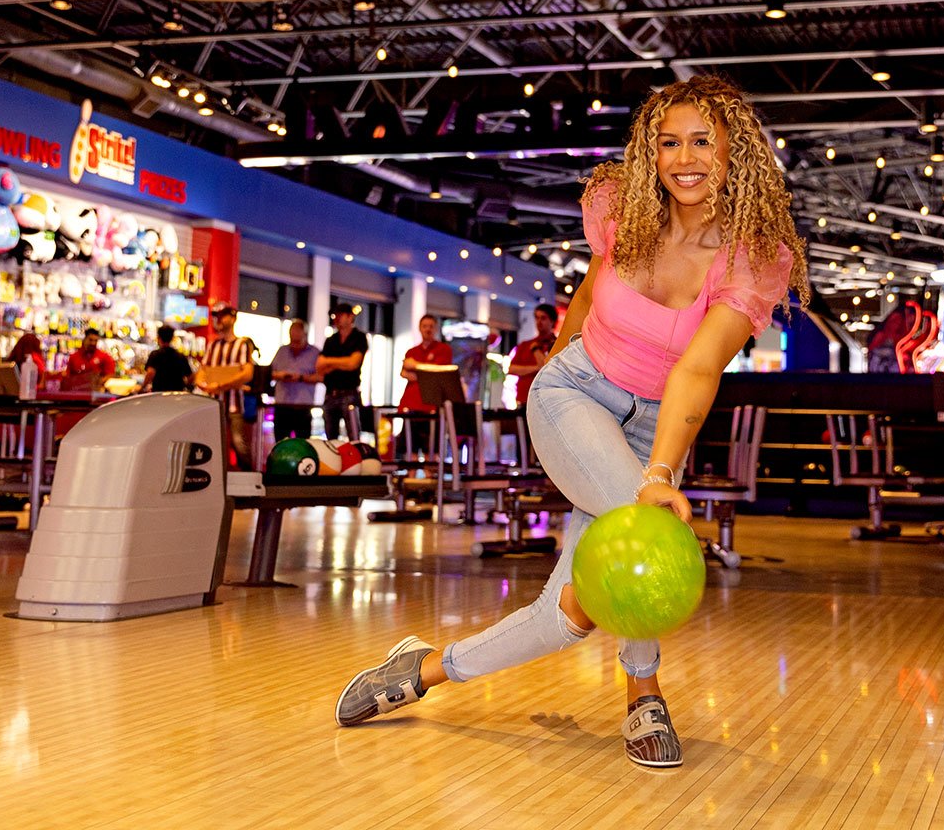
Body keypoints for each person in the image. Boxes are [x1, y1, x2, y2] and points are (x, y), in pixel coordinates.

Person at [333, 75, 807, 769]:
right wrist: (551, 380)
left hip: (654, 428)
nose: (684, 158)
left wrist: (657, 470)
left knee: (571, 616)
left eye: (703, 141)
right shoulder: (625, 209)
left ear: (738, 152)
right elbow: (587, 295)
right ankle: (644, 696)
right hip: (577, 392)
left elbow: (699, 370)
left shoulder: (751, 256)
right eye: (668, 142)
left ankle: (421, 670)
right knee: (645, 540)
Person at [197, 304, 259, 467]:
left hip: (234, 405)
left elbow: (247, 374)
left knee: (238, 443)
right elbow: (202, 370)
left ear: (233, 318)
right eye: (217, 316)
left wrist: (221, 385)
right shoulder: (213, 345)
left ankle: (249, 479)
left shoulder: (242, 344)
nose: (219, 320)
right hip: (214, 402)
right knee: (213, 442)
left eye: (222, 316)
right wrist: (203, 384)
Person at [316, 304, 368, 441]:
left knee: (354, 435)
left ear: (350, 317)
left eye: (340, 315)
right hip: (330, 394)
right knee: (330, 437)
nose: (336, 319)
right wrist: (342, 362)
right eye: (335, 316)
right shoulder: (331, 340)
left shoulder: (359, 337)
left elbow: (353, 364)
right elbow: (320, 367)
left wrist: (330, 362)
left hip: (350, 393)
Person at [268, 319, 322, 440]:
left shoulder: (314, 352)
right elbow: (270, 373)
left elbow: (321, 377)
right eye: (292, 331)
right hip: (283, 404)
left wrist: (301, 378)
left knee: (302, 442)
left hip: (303, 406)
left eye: (298, 331)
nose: (294, 334)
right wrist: (281, 375)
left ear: (305, 333)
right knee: (280, 442)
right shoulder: (282, 351)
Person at [397, 314, 454, 413]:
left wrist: (415, 366)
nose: (428, 329)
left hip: (432, 404)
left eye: (431, 326)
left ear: (436, 328)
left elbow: (439, 373)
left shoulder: (444, 349)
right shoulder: (411, 352)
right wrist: (427, 375)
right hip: (411, 403)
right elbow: (404, 373)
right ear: (419, 328)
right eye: (424, 326)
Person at [507, 304, 559, 410]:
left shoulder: (557, 345)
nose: (539, 322)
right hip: (523, 399)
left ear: (552, 321)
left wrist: (536, 351)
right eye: (537, 317)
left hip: (546, 401)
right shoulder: (525, 345)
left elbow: (548, 369)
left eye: (543, 318)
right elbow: (512, 369)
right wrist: (536, 368)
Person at [61, 328, 115, 393]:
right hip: (76, 393)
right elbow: (68, 375)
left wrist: (98, 382)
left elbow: (110, 374)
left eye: (95, 341)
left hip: (97, 394)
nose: (93, 343)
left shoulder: (104, 357)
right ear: (84, 339)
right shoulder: (74, 357)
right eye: (90, 340)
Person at [144, 325, 194, 393]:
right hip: (177, 395)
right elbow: (190, 377)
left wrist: (142, 387)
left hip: (158, 394)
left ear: (159, 338)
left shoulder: (155, 355)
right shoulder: (180, 356)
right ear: (172, 338)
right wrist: (184, 384)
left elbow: (150, 373)